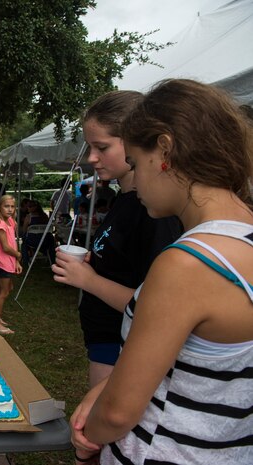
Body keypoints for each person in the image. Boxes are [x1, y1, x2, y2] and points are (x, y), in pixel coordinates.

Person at [71, 79, 253, 464]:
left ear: (165, 150)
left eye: (136, 162)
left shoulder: (187, 263)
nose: (137, 181)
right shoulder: (243, 239)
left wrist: (90, 436)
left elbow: (120, 412)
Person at [51, 90, 182, 389]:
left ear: (136, 141)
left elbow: (156, 306)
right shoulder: (125, 199)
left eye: (102, 147)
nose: (91, 158)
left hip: (124, 349)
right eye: (90, 147)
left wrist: (89, 280)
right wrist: (93, 264)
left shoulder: (153, 211)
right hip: (105, 344)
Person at [0, 194, 23, 335]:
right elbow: (6, 247)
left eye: (12, 207)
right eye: (6, 206)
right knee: (3, 292)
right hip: (1, 263)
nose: (9, 209)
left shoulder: (11, 222)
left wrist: (16, 261)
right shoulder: (0, 224)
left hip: (9, 262)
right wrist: (18, 255)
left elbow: (13, 243)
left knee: (9, 288)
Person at [20, 199, 55, 265]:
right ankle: (52, 259)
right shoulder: (44, 216)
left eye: (30, 206)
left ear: (35, 207)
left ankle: (25, 260)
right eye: (28, 206)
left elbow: (24, 231)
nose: (28, 208)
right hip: (46, 241)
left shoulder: (28, 217)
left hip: (33, 241)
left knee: (24, 242)